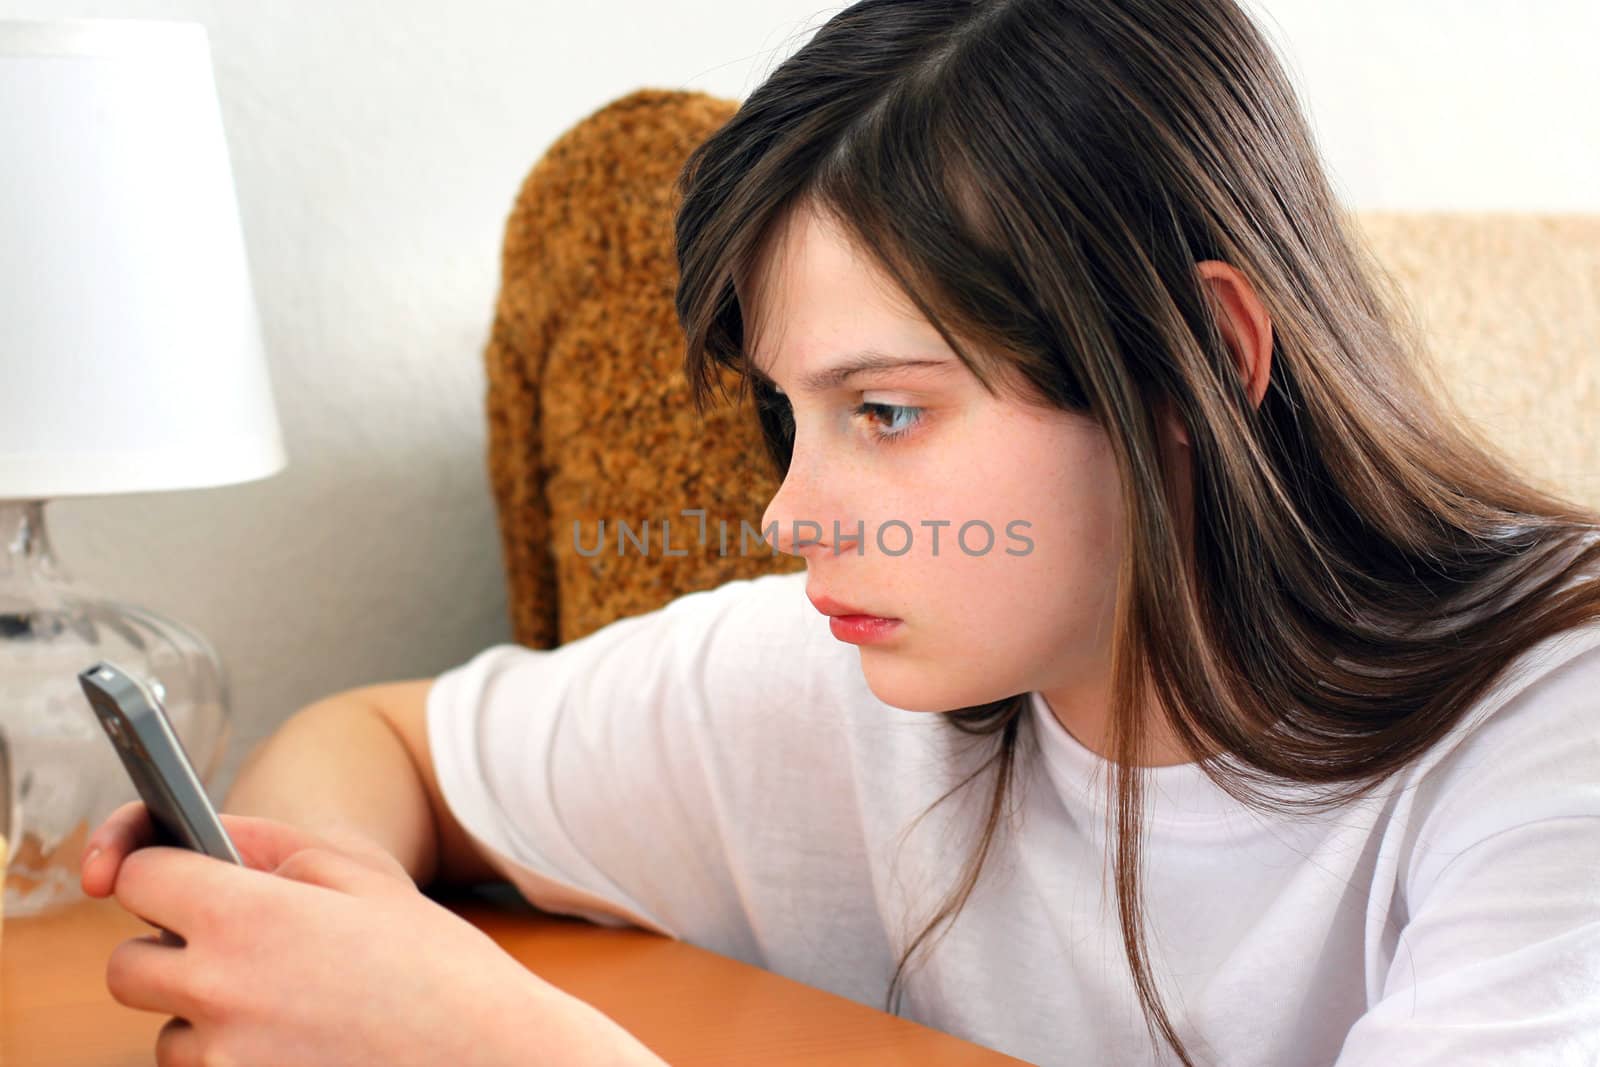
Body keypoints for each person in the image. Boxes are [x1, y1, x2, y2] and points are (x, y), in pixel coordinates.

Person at [81, 1, 1600, 1064]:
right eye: (790, 415)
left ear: (1199, 360)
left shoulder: (1557, 730)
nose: (788, 513)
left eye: (885, 412)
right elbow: (383, 743)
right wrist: (326, 954)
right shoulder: (851, 688)